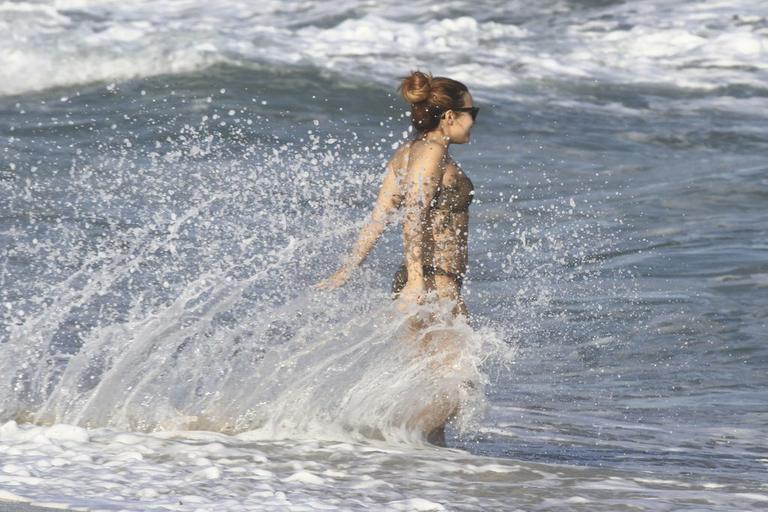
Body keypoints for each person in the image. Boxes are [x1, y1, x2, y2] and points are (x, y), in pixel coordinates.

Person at [315, 70, 477, 320]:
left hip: (425, 281)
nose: (473, 121)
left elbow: (378, 218)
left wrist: (346, 270)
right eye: (471, 113)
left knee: (422, 360)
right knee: (459, 360)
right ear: (449, 117)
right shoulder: (431, 153)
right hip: (434, 284)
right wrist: (415, 282)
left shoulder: (407, 152)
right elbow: (413, 214)